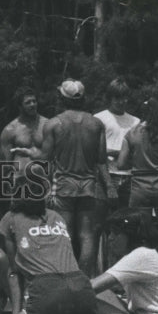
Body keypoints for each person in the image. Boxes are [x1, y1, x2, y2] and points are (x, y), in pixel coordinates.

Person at [0, 182, 102, 314]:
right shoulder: (56, 216)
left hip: (47, 290)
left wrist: (16, 313)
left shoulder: (10, 218)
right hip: (82, 287)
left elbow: (14, 271)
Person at [41, 79, 112, 277]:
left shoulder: (54, 124)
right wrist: (109, 186)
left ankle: (67, 276)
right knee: (87, 235)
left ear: (62, 98)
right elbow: (101, 159)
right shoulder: (96, 124)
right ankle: (83, 277)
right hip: (88, 185)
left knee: (65, 234)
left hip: (63, 184)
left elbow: (44, 158)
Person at [116, 98, 158, 267]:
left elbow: (121, 164)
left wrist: (138, 163)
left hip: (139, 189)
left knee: (139, 236)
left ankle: (139, 278)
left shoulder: (131, 134)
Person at [94, 79, 140, 209]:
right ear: (110, 98)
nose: (121, 102)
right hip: (105, 176)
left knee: (127, 221)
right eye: (117, 98)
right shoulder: (99, 118)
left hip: (130, 177)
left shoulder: (136, 121)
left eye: (124, 97)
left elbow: (138, 151)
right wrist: (118, 153)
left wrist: (118, 154)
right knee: (101, 221)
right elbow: (95, 150)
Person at [0, 86, 48, 182]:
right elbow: (6, 164)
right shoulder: (10, 129)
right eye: (28, 102)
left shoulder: (47, 124)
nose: (32, 104)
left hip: (44, 180)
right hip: (21, 181)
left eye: (34, 101)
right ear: (20, 106)